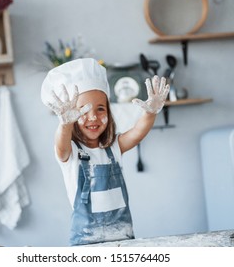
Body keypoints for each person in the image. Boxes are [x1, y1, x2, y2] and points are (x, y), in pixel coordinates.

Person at [41, 58, 169, 246]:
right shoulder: (72, 153)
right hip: (86, 245)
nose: (93, 117)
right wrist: (65, 124)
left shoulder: (113, 147)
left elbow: (137, 133)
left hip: (123, 241)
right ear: (70, 115)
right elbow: (61, 147)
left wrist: (150, 113)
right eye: (83, 110)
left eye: (100, 109)